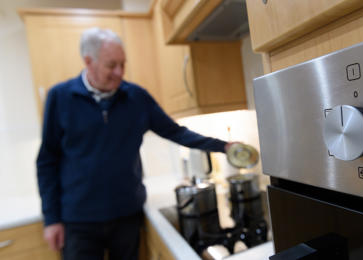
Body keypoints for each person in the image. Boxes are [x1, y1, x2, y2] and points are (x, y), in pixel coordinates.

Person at [36, 27, 233, 260]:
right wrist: (51, 219)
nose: (120, 72)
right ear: (89, 62)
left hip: (127, 216)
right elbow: (47, 161)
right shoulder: (60, 97)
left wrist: (224, 146)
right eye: (112, 65)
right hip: (79, 222)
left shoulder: (136, 97)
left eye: (123, 64)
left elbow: (176, 132)